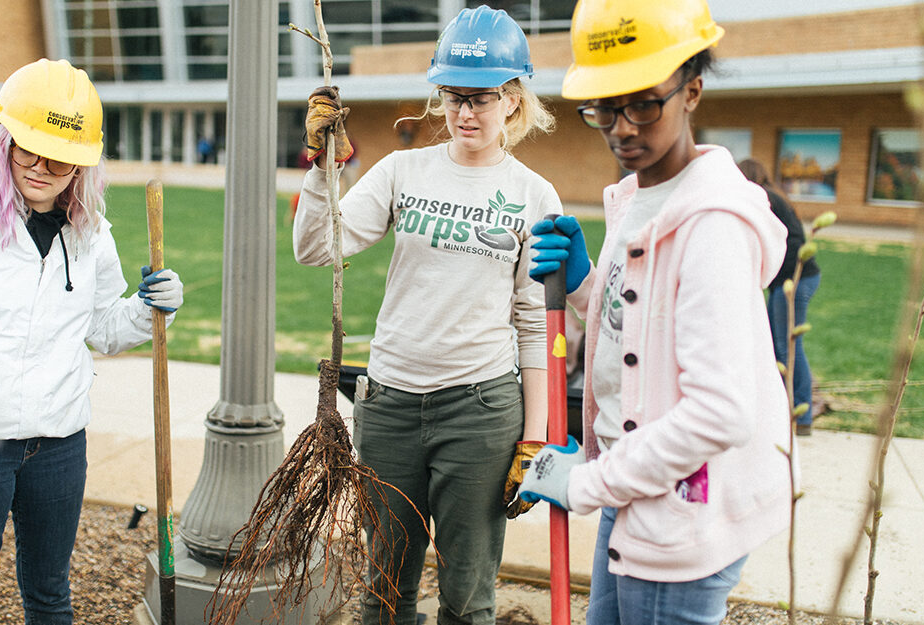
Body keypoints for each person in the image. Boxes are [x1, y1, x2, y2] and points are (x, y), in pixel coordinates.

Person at [517, 2, 792, 624]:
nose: (622, 129)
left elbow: (719, 411)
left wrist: (585, 484)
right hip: (634, 485)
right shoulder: (639, 196)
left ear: (691, 90)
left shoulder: (713, 224)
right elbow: (641, 327)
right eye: (604, 108)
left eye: (643, 104)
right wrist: (587, 287)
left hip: (680, 509)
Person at [293, 7, 560, 624]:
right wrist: (323, 164)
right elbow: (316, 247)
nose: (467, 113)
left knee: (468, 599)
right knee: (384, 593)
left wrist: (536, 433)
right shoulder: (401, 172)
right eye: (455, 97)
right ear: (440, 97)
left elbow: (532, 321)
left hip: (482, 413)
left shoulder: (533, 194)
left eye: (484, 98)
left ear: (514, 100)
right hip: (389, 408)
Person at [0, 58, 184, 625]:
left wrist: (149, 308)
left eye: (60, 157)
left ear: (81, 165)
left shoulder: (92, 237)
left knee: (51, 597)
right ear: (4, 143)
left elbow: (104, 329)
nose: (41, 167)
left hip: (59, 446)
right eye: (28, 148)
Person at [738, 158, 822, 436]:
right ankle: (784, 409)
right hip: (785, 282)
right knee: (778, 346)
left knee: (788, 347)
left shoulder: (764, 198)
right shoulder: (771, 196)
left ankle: (803, 415)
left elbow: (788, 244)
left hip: (796, 280)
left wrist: (763, 274)